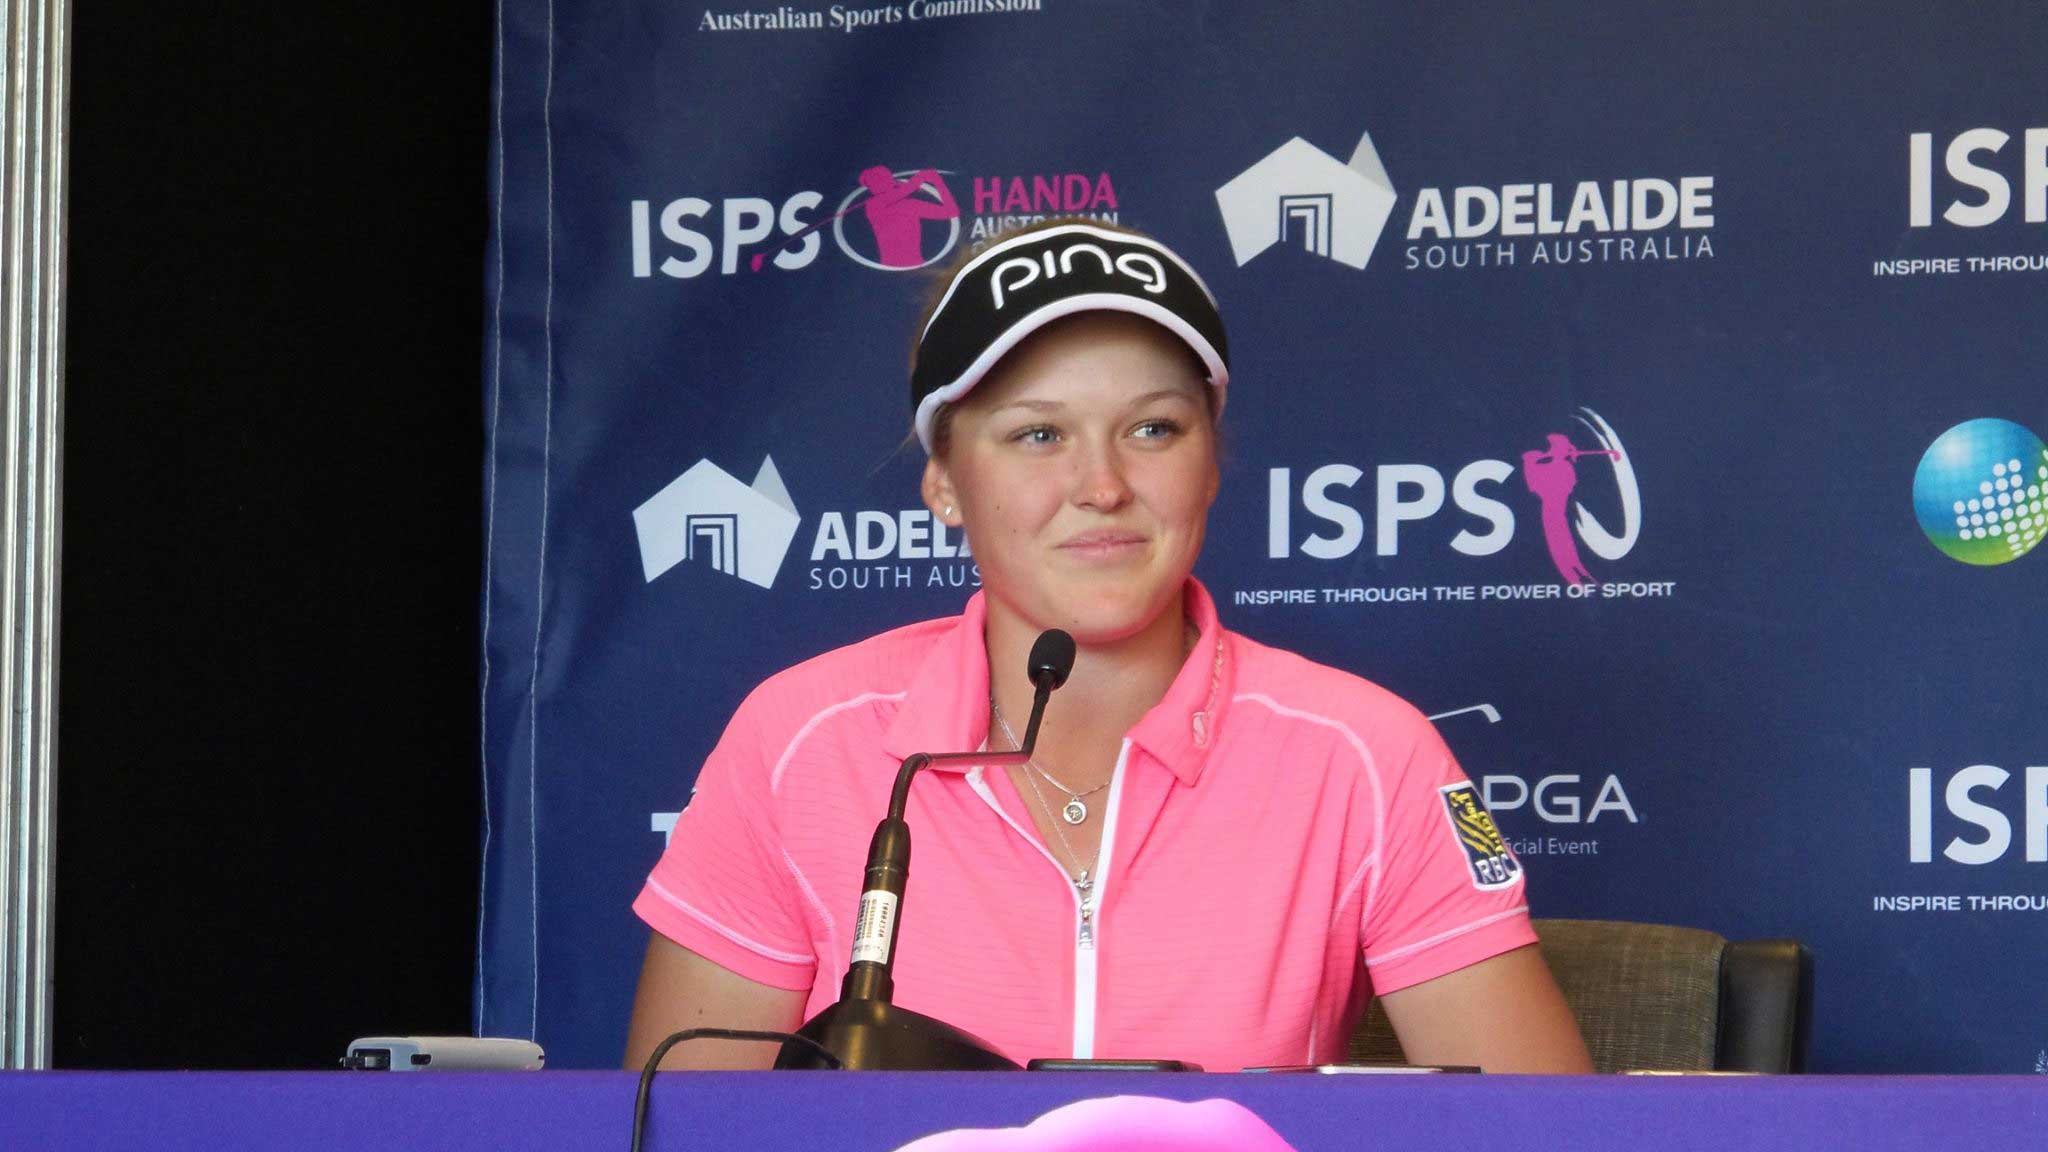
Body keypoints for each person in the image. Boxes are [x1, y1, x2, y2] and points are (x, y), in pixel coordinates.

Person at [624, 219, 1592, 1073]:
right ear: (944, 485)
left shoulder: (1365, 755)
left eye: (1152, 428)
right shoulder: (800, 739)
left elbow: (1545, 1136)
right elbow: (675, 1130)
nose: (1101, 486)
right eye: (1037, 436)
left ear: (1211, 462)